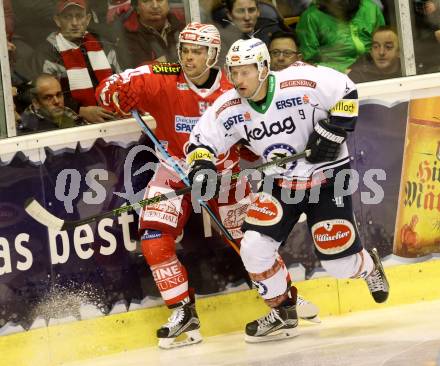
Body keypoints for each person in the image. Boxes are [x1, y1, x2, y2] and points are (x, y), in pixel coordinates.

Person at [96, 23, 319, 349]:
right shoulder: (162, 75)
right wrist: (113, 94)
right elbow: (110, 86)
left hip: (223, 174)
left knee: (251, 243)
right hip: (172, 170)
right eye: (185, 50)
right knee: (154, 240)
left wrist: (252, 145)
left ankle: (283, 302)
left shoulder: (234, 84)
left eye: (197, 51)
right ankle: (182, 312)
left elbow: (264, 117)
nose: (189, 57)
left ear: (213, 55)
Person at [186, 38, 390, 343]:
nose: (238, 80)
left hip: (327, 178)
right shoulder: (228, 107)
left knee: (339, 264)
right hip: (279, 183)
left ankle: (368, 265)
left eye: (245, 72)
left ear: (264, 68)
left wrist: (334, 130)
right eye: (234, 72)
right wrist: (202, 167)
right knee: (253, 247)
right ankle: (283, 310)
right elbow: (200, 142)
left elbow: (346, 90)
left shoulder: (299, 82)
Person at [35, 0, 120, 123]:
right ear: (57, 20)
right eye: (68, 17)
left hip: (113, 116)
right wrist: (80, 110)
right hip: (70, 122)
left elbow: (122, 82)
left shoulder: (104, 45)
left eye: (79, 16)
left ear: (88, 19)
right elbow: (44, 97)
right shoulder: (47, 53)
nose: (74, 23)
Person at [296, 0, 385, 73]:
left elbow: (384, 43)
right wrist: (340, 71)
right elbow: (309, 59)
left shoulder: (371, 9)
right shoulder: (311, 17)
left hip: (372, 72)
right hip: (334, 77)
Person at [115, 0, 185, 69]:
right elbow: (140, 71)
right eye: (146, 1)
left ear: (168, 4)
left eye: (160, 0)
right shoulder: (127, 35)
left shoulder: (184, 23)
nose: (155, 6)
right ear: (137, 8)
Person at [19, 74, 86, 133]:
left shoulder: (65, 111)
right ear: (36, 103)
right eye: (48, 97)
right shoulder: (28, 125)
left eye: (59, 95)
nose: (56, 101)